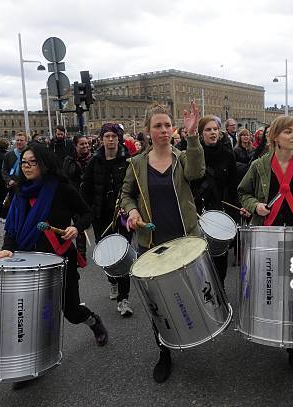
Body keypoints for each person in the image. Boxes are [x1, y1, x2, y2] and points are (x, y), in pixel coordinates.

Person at [0, 144, 108, 390]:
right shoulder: (19, 192)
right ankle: (32, 366)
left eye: (32, 162)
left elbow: (86, 213)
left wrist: (77, 227)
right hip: (28, 263)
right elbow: (12, 227)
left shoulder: (61, 188)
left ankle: (93, 320)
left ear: (43, 164)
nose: (27, 166)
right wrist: (7, 248)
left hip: (60, 259)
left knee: (71, 311)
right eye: (24, 162)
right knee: (29, 317)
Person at [121, 101, 203, 384]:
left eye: (168, 125)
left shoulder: (182, 158)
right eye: (158, 126)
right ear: (147, 131)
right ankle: (164, 352)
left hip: (183, 238)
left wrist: (192, 136)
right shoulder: (136, 163)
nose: (164, 130)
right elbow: (126, 195)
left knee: (186, 294)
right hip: (151, 241)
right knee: (158, 303)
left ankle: (190, 334)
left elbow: (197, 172)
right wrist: (131, 211)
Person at [238, 115, 293, 378]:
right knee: (270, 288)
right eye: (289, 132)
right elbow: (243, 192)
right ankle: (268, 329)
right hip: (267, 235)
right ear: (275, 137)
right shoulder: (259, 165)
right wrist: (254, 206)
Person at [81, 124, 133, 316]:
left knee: (123, 254)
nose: (110, 139)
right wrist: (83, 215)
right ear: (102, 139)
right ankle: (112, 281)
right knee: (107, 255)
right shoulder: (94, 161)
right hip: (100, 216)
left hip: (122, 216)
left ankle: (124, 298)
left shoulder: (128, 161)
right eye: (107, 136)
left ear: (119, 138)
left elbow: (133, 188)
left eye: (113, 136)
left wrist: (129, 208)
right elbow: (86, 188)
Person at [191, 115, 240, 288]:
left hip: (221, 211)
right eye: (208, 129)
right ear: (201, 133)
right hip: (198, 212)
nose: (212, 132)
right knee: (200, 256)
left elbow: (234, 186)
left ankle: (220, 290)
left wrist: (235, 213)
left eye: (215, 129)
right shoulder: (193, 155)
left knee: (220, 256)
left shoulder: (228, 154)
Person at [63, 135, 92, 258]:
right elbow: (66, 177)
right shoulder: (69, 160)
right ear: (76, 146)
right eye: (82, 144)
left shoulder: (93, 158)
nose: (85, 146)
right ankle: (81, 254)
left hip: (91, 196)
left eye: (86, 143)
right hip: (76, 197)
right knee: (79, 226)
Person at [1, 132, 28, 214]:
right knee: (14, 209)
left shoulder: (31, 154)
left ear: (26, 141)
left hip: (27, 185)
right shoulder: (8, 155)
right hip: (13, 186)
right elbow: (4, 170)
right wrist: (8, 180)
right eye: (17, 140)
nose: (19, 142)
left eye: (21, 140)